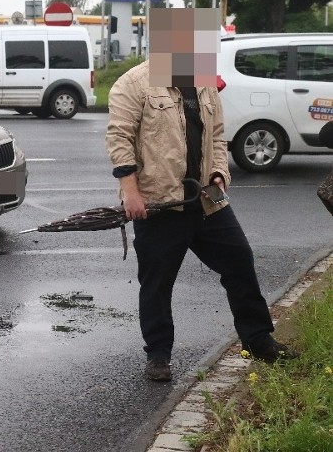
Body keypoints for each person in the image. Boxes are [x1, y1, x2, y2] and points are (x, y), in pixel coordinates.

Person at [105, 60, 299, 382]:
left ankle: (259, 340)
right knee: (157, 282)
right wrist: (129, 190)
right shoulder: (132, 84)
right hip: (160, 202)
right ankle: (158, 354)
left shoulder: (203, 80)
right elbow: (119, 138)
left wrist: (220, 174)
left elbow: (218, 137)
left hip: (209, 197)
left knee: (240, 261)